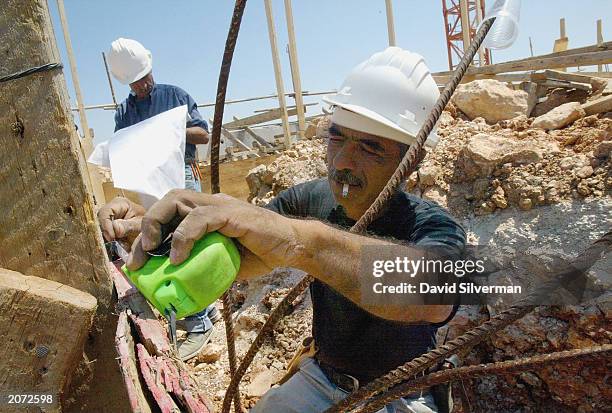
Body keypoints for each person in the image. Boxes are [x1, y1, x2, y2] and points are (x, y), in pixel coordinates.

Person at [100, 47, 466, 412]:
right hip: (320, 382)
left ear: (413, 157)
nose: (341, 162)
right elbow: (237, 252)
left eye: (370, 147)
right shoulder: (311, 200)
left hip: (403, 396)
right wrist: (153, 235)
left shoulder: (431, 225)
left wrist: (302, 242)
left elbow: (435, 296)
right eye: (336, 137)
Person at [106, 37, 219, 361]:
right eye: (136, 81)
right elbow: (122, 147)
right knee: (161, 244)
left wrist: (165, 130)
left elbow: (202, 134)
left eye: (145, 76)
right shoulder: (125, 111)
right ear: (127, 81)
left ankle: (198, 324)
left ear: (151, 68)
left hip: (180, 175)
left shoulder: (174, 96)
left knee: (186, 241)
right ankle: (204, 312)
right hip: (148, 180)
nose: (143, 85)